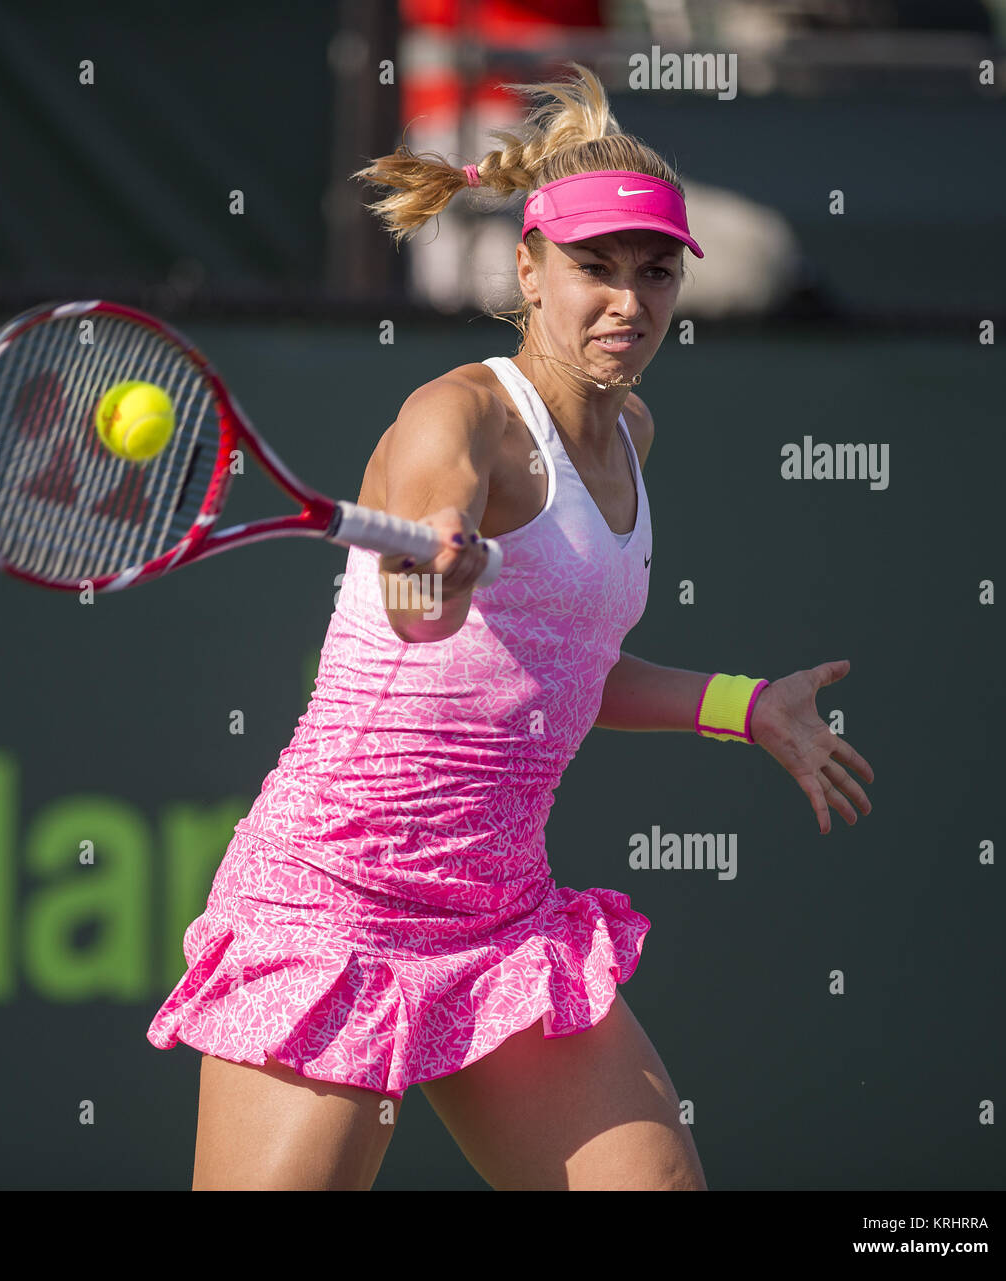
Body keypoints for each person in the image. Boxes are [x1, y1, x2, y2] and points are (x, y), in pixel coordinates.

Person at [146, 61, 874, 1191]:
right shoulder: (459, 415)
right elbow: (416, 585)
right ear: (528, 270)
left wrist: (740, 708)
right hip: (336, 901)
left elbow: (564, 666)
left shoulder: (633, 433)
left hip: (499, 918)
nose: (627, 302)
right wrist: (430, 573)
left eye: (653, 273)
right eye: (594, 269)